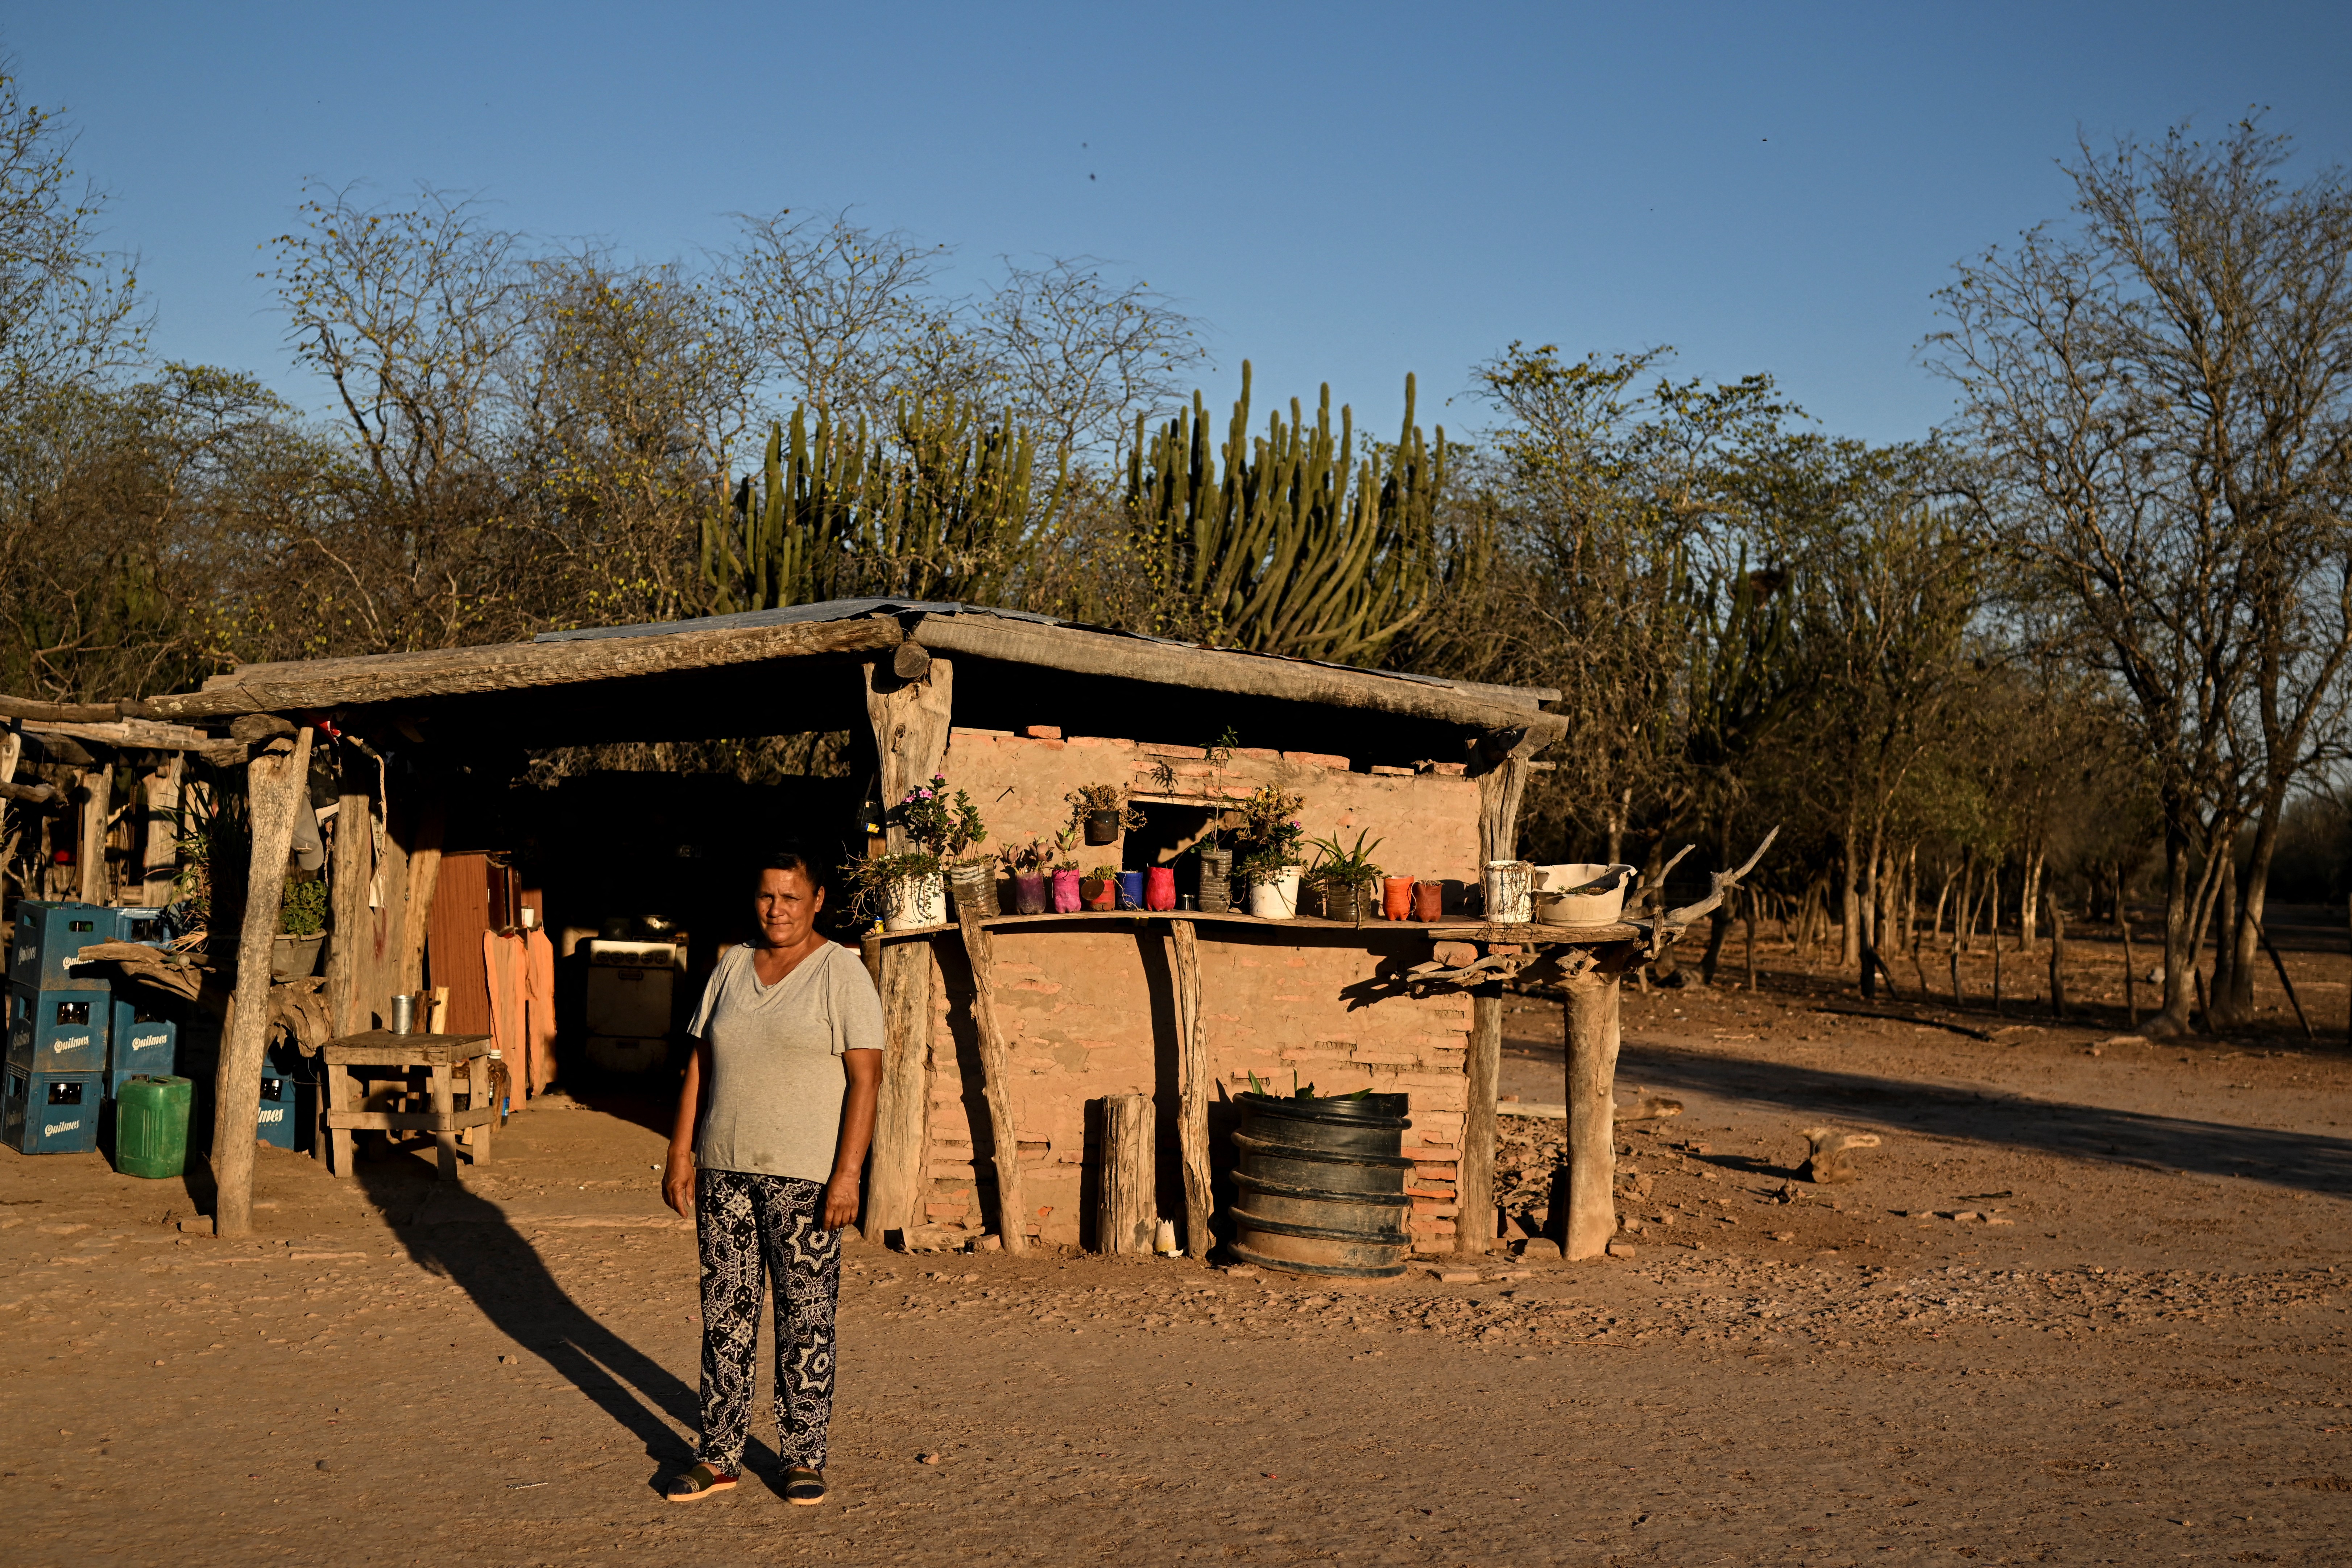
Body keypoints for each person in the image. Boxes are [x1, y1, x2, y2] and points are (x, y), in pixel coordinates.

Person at [660, 849, 882, 1505]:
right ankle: (719, 1451)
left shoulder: (842, 973)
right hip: (725, 1170)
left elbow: (865, 1079)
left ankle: (802, 1455)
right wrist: (681, 1151)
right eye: (766, 896)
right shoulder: (731, 965)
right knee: (725, 1316)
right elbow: (701, 1062)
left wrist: (848, 1174)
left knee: (805, 1318)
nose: (776, 909)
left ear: (818, 901)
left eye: (791, 897)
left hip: (808, 1180)